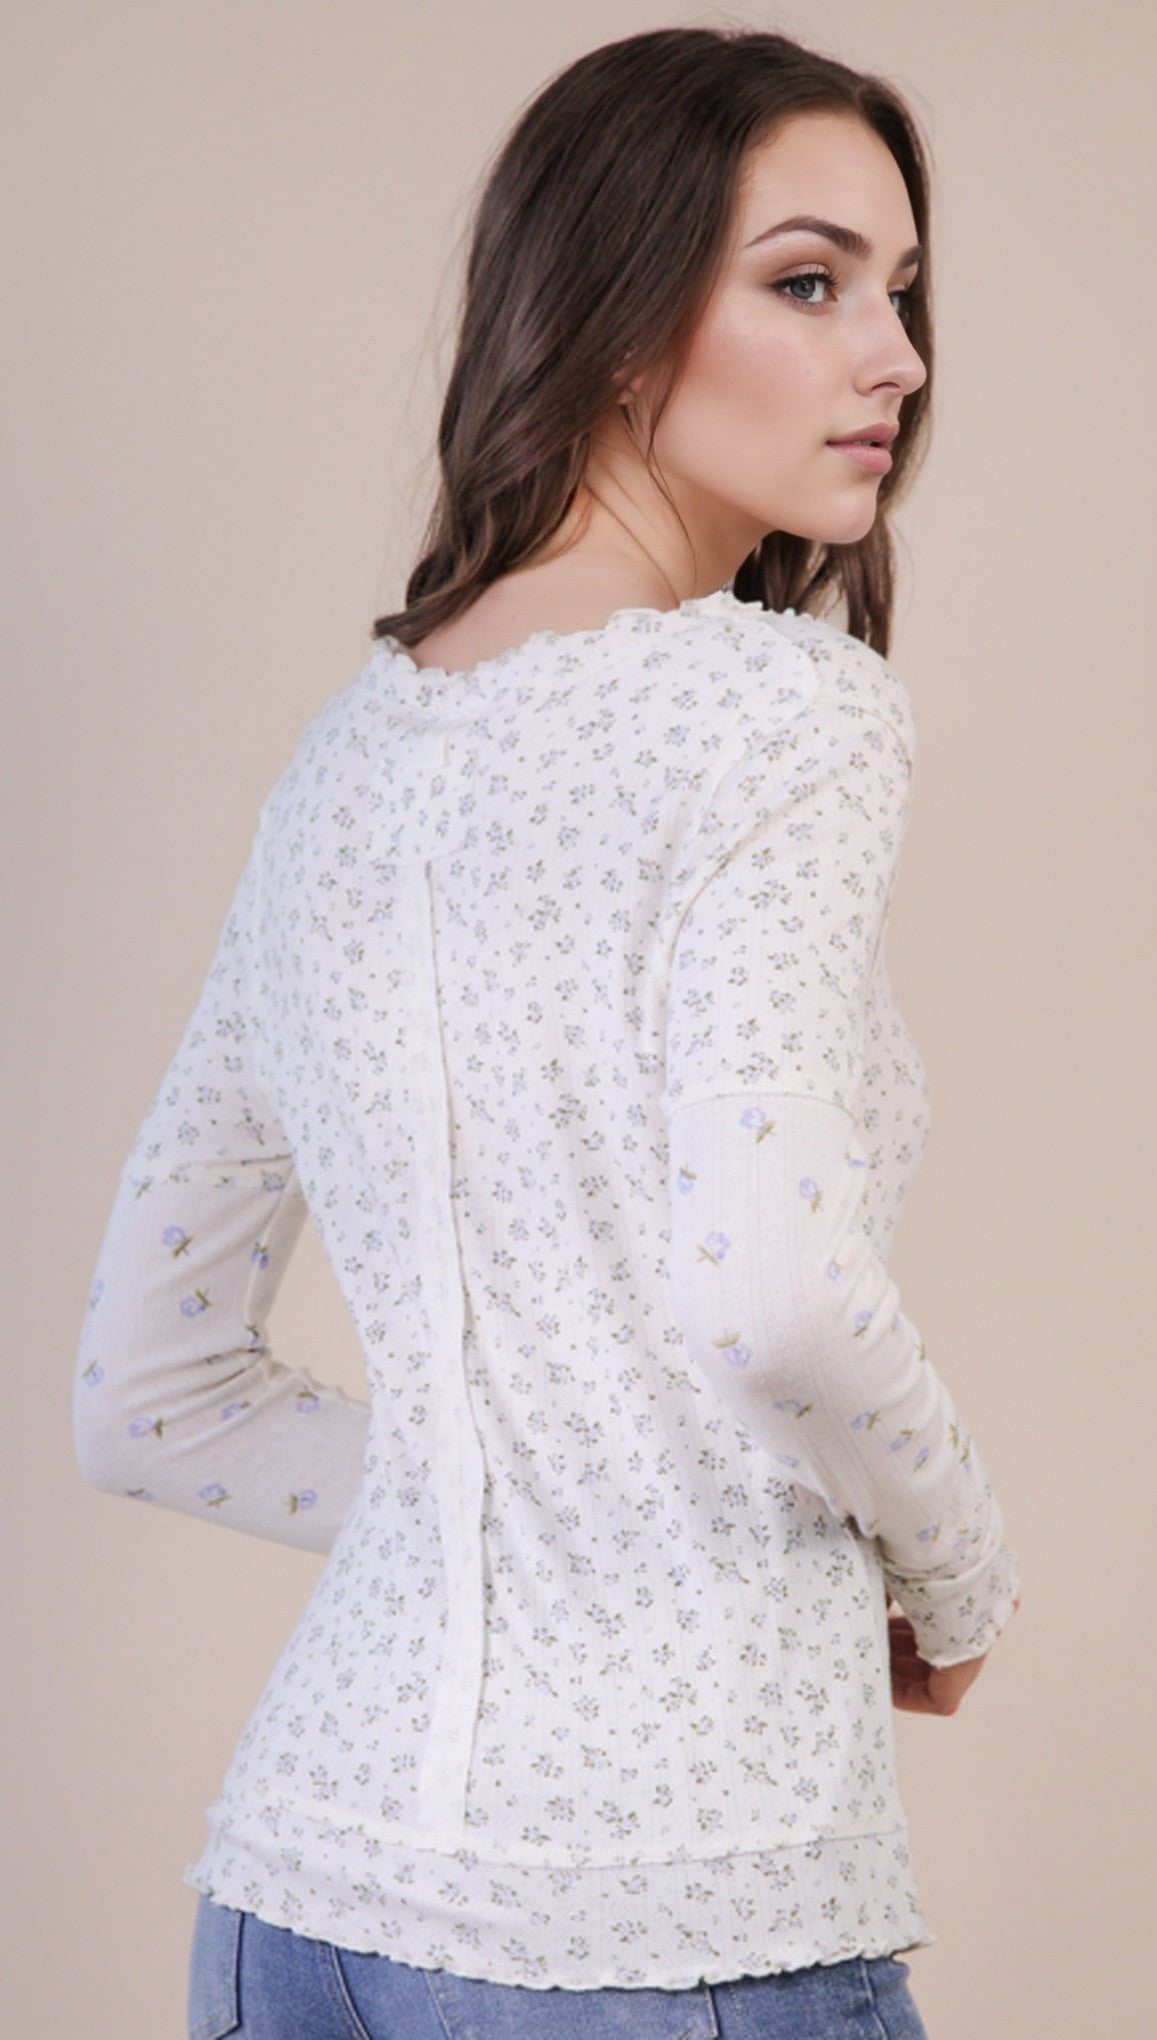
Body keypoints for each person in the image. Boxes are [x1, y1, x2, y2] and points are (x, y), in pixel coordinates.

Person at [73, 25, 1021, 2040]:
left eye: (901, 293)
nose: (894, 359)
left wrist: (501, 1499)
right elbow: (774, 1293)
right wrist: (954, 1564)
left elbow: (146, 1395)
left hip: (292, 1910)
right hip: (657, 1920)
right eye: (808, 282)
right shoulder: (779, 709)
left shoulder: (340, 771)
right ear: (610, 316)